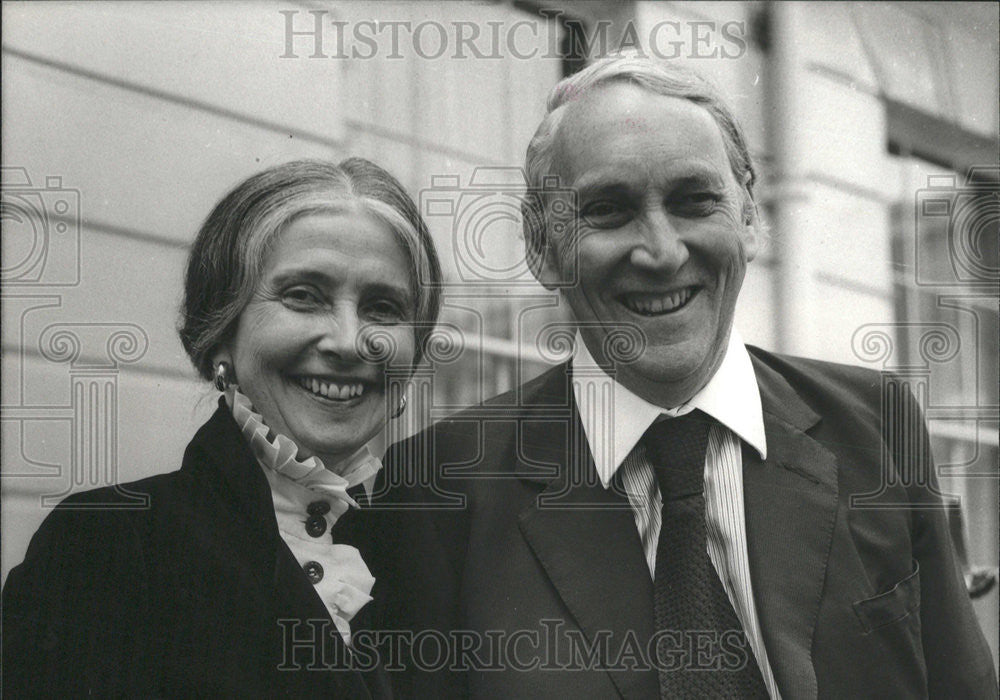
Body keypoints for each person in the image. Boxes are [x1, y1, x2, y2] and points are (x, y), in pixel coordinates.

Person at [373, 56, 998, 698]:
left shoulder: (876, 426)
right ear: (540, 246)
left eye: (695, 201)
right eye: (608, 210)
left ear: (750, 218)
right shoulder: (437, 491)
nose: (663, 252)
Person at [2, 158, 442, 697]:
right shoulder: (108, 547)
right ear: (220, 335)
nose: (351, 341)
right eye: (304, 295)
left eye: (383, 307)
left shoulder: (432, 560)